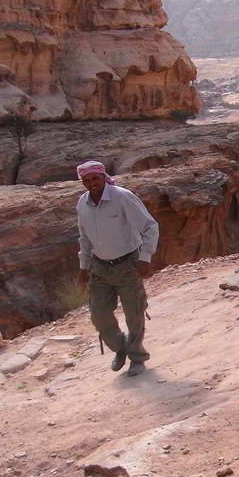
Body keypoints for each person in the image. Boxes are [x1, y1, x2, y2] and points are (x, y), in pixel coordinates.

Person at [76, 160, 159, 377]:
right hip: (100, 267)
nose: (91, 183)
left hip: (127, 264)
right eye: (86, 180)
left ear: (103, 176)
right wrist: (84, 267)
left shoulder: (122, 197)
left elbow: (150, 226)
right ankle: (121, 347)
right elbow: (84, 239)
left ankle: (137, 357)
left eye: (95, 178)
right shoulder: (82, 203)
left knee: (134, 313)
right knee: (99, 315)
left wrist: (145, 257)